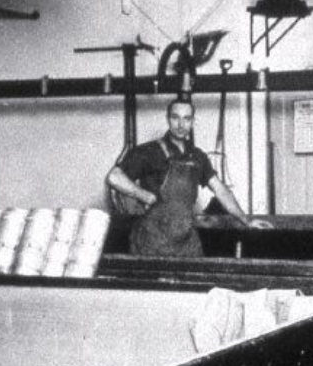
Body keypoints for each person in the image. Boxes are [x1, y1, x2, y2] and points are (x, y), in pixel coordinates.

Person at [106, 98, 261, 256]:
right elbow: (114, 177)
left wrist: (246, 220)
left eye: (187, 119)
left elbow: (220, 190)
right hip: (152, 242)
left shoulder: (198, 157)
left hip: (185, 242)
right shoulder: (149, 151)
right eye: (175, 118)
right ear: (168, 119)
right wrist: (144, 196)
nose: (181, 125)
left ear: (193, 122)